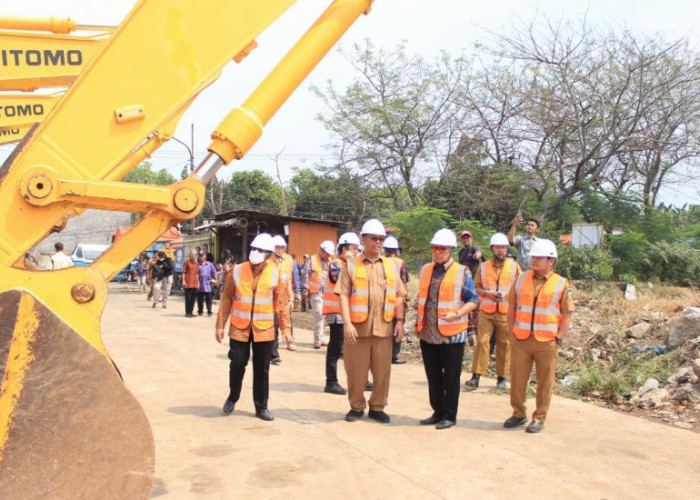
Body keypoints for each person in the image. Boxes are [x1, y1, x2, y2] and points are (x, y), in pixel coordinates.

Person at [335, 218, 407, 424]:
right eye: (374, 238)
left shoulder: (391, 267)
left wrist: (400, 322)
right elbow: (342, 295)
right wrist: (347, 324)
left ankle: (377, 407)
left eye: (381, 239)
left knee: (382, 372)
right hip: (358, 329)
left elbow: (399, 295)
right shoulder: (351, 265)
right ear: (363, 239)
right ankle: (356, 407)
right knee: (356, 371)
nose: (378, 243)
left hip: (384, 329)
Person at [215, 233, 292, 421]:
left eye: (260, 250)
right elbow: (226, 298)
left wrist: (286, 330)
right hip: (239, 328)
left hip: (264, 329)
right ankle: (233, 397)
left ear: (268, 254)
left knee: (262, 369)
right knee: (237, 363)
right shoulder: (238, 270)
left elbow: (281, 304)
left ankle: (261, 407)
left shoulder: (275, 273)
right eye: (254, 248)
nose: (255, 252)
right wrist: (220, 325)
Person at [504, 239, 574, 433]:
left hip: (547, 342)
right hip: (521, 339)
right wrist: (511, 332)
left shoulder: (561, 283)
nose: (534, 261)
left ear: (551, 261)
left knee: (545, 382)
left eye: (539, 258)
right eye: (533, 257)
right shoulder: (521, 279)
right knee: (518, 379)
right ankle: (518, 414)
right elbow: (511, 307)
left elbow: (567, 314)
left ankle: (539, 418)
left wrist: (559, 337)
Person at [415, 229, 479, 430]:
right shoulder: (426, 269)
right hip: (428, 332)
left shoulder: (462, 272)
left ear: (451, 250)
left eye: (441, 248)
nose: (437, 251)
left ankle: (450, 415)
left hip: (452, 335)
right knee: (433, 376)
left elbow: (473, 300)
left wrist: (457, 314)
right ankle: (437, 411)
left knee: (451, 377)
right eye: (434, 248)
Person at [465, 233, 521, 391]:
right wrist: (488, 294)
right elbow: (476, 287)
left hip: (505, 313)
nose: (501, 250)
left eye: (503, 247)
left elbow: (521, 288)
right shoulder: (483, 267)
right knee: (482, 342)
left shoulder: (514, 267)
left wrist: (507, 295)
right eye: (497, 247)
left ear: (507, 249)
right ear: (492, 249)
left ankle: (501, 378)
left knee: (505, 345)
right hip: (487, 312)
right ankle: (476, 376)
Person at [322, 232, 360, 395]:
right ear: (344, 248)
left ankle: (360, 380)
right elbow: (345, 281)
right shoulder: (336, 264)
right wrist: (352, 261)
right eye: (354, 248)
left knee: (354, 348)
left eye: (358, 249)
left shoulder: (353, 264)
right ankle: (331, 382)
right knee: (336, 348)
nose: (357, 251)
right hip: (336, 313)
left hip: (350, 313)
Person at [302, 241, 336, 349]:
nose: (329, 255)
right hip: (315, 292)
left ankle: (321, 338)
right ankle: (317, 340)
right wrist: (305, 288)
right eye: (328, 253)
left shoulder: (331, 261)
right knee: (319, 314)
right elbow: (305, 274)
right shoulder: (311, 260)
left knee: (326, 316)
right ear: (322, 250)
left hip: (327, 293)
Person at [270, 235, 297, 364]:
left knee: (286, 322)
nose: (280, 249)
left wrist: (291, 299)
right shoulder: (267, 262)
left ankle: (288, 341)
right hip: (269, 300)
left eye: (282, 247)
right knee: (273, 326)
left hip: (283, 300)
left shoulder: (286, 262)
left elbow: (288, 282)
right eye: (277, 247)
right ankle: (273, 354)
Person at [382, 235, 409, 365]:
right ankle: (393, 355)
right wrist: (406, 299)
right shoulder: (400, 262)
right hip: (397, 299)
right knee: (398, 325)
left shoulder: (379, 261)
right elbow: (404, 282)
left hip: (383, 300)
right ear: (396, 249)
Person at [197, 251, 218, 316]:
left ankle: (209, 311)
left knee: (209, 299)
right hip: (200, 284)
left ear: (205, 256)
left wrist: (216, 280)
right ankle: (200, 311)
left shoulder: (210, 264)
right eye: (200, 256)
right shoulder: (197, 264)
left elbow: (213, 273)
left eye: (202, 256)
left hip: (208, 284)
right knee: (200, 299)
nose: (201, 257)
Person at [182, 249, 200, 317]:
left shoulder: (197, 264)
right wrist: (183, 281)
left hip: (194, 283)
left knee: (193, 298)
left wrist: (198, 282)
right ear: (190, 255)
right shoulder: (186, 263)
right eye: (192, 254)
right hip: (188, 283)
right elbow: (184, 272)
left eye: (195, 254)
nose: (194, 256)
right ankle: (187, 312)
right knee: (188, 298)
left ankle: (191, 312)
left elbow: (197, 274)